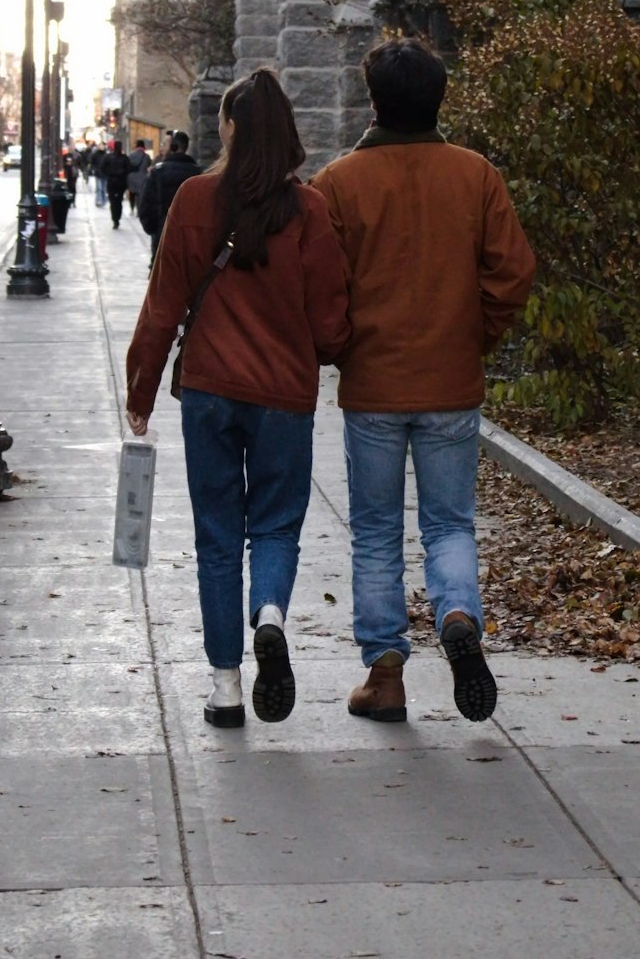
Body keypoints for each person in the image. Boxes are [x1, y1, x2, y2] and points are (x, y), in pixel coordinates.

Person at [311, 38, 535, 725]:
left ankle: (385, 676)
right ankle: (459, 614)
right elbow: (512, 273)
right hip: (451, 381)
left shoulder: (338, 183)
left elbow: (321, 289)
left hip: (374, 387)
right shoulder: (476, 176)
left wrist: (342, 346)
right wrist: (475, 335)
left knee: (376, 533)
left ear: (375, 100)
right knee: (449, 524)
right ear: (440, 98)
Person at [125, 69, 350, 729]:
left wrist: (141, 391)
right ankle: (271, 615)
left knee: (218, 538)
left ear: (226, 128)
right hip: (283, 395)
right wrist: (324, 350)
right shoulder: (308, 211)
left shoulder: (194, 200)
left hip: (211, 393)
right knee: (276, 526)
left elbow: (162, 307)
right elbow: (331, 321)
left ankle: (226, 688)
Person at [138, 129, 201, 269]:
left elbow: (145, 207)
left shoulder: (158, 172)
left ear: (174, 147)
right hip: (192, 243)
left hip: (163, 239)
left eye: (165, 143)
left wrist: (154, 230)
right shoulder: (200, 173)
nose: (161, 147)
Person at [102, 140, 130, 227]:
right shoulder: (124, 158)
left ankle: (115, 218)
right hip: (121, 183)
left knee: (113, 201)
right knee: (118, 201)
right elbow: (128, 169)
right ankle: (117, 217)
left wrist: (108, 174)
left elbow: (102, 168)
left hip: (112, 182)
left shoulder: (108, 157)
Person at [127, 139, 151, 214]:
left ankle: (131, 209)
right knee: (139, 194)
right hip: (142, 177)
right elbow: (148, 164)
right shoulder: (146, 156)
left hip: (131, 177)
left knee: (132, 193)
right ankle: (138, 209)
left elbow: (128, 165)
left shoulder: (131, 155)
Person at [91, 143, 108, 207]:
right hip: (98, 173)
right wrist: (94, 169)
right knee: (99, 188)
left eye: (102, 146)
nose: (101, 147)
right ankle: (99, 200)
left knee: (104, 188)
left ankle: (104, 200)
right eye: (100, 146)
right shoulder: (95, 154)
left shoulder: (106, 154)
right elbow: (93, 163)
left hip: (105, 174)